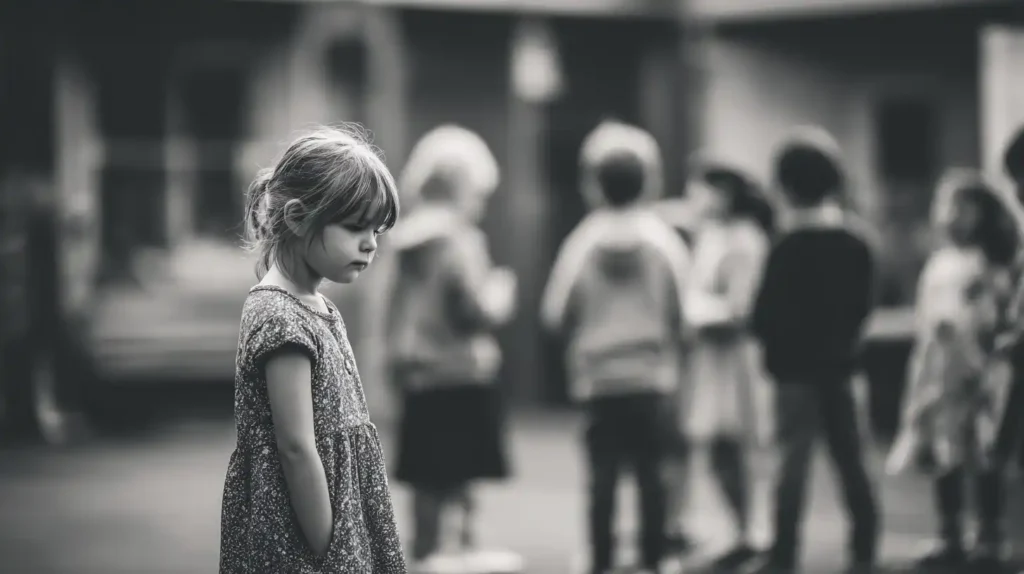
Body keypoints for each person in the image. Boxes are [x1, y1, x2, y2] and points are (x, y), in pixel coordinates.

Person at [219, 125, 406, 574]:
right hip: (304, 535)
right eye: (356, 226)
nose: (371, 243)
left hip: (335, 517)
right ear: (299, 217)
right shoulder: (280, 317)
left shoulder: (317, 305)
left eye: (376, 229)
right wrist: (331, 545)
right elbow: (297, 446)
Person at [541, 120, 690, 574]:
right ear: (649, 180)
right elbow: (681, 311)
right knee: (652, 475)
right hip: (651, 375)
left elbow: (556, 311)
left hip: (598, 378)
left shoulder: (582, 243)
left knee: (602, 477)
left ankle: (601, 558)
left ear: (593, 184)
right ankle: (654, 557)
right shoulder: (663, 241)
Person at [385, 125, 519, 572]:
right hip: (462, 369)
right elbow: (471, 311)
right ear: (464, 186)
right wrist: (501, 294)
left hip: (418, 370)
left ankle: (423, 552)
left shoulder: (404, 242)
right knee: (463, 468)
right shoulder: (461, 240)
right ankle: (462, 548)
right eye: (479, 192)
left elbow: (391, 312)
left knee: (425, 470)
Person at [749, 127, 879, 574]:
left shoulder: (784, 246)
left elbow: (762, 315)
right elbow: (863, 308)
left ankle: (783, 553)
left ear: (784, 186)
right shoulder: (857, 241)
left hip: (791, 372)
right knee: (852, 460)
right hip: (842, 366)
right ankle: (864, 549)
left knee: (791, 464)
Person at [886, 169, 1018, 572]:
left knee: (983, 455)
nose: (951, 214)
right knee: (945, 455)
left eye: (962, 206)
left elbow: (1001, 315)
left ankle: (991, 534)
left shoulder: (997, 263)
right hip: (939, 370)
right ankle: (950, 533)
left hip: (981, 369)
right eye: (945, 205)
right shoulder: (940, 262)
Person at [679, 158, 775, 571]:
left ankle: (748, 530)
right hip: (711, 357)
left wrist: (690, 312)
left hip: (734, 358)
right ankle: (737, 527)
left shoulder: (743, 240)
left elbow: (742, 309)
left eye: (701, 190)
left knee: (734, 443)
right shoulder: (712, 235)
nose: (693, 199)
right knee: (718, 448)